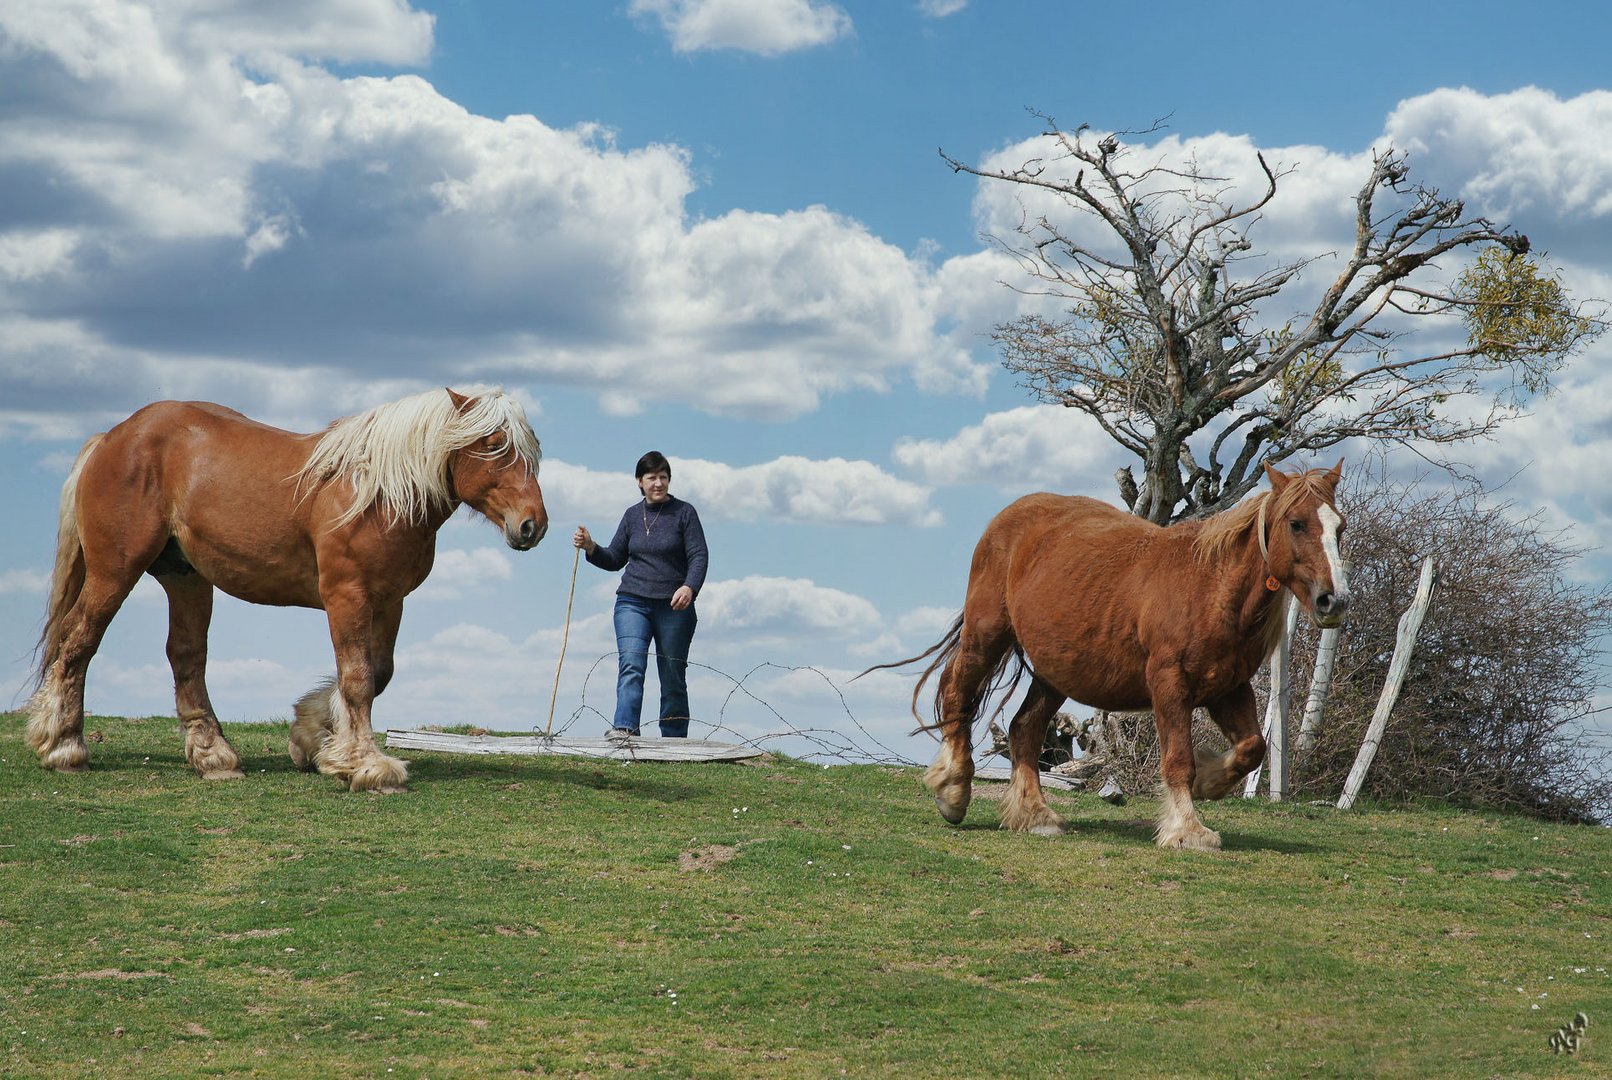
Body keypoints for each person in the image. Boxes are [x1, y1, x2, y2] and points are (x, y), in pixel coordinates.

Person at [572, 451, 708, 741]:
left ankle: (673, 738)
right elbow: (614, 558)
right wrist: (591, 547)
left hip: (674, 606)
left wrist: (689, 587)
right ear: (639, 482)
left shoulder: (685, 513)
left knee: (672, 672)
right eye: (651, 477)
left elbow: (698, 555)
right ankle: (625, 730)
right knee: (632, 663)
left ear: (669, 479)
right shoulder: (632, 515)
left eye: (663, 477)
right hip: (632, 602)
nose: (658, 483)